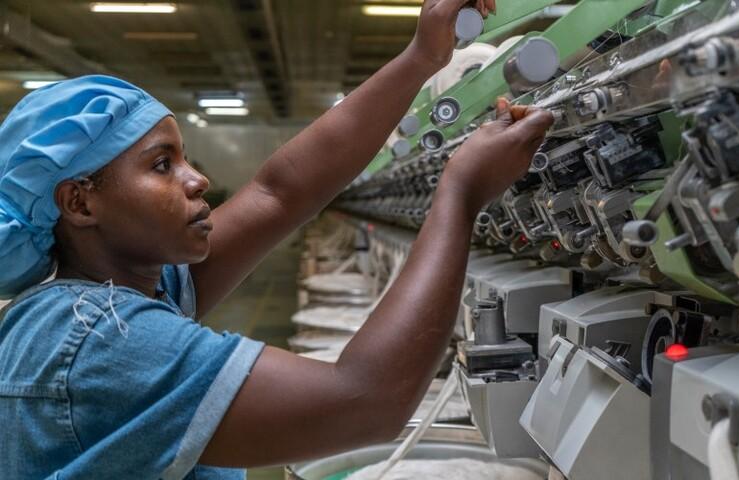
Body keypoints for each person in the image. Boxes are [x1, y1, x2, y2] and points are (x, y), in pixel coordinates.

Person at [0, 0, 552, 478]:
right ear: (79, 202)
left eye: (185, 158)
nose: (198, 179)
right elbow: (366, 401)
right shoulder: (103, 340)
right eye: (162, 165)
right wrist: (458, 194)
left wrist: (423, 57)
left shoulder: (119, 292)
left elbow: (279, 193)